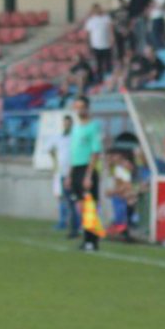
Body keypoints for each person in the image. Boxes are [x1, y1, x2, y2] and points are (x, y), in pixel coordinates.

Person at [67, 97, 104, 250]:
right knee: (81, 207)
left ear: (87, 108)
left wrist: (89, 175)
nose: (79, 110)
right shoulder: (75, 128)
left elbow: (95, 152)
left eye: (82, 107)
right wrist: (69, 174)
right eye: (77, 107)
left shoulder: (93, 127)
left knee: (89, 206)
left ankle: (92, 241)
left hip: (86, 168)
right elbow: (73, 152)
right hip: (76, 168)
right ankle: (87, 239)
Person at [51, 114, 73, 233]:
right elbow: (51, 150)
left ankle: (72, 221)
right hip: (60, 171)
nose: (66, 125)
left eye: (68, 123)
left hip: (71, 171)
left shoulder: (74, 137)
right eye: (65, 123)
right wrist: (55, 164)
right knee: (60, 196)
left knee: (71, 198)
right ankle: (63, 221)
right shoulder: (58, 137)